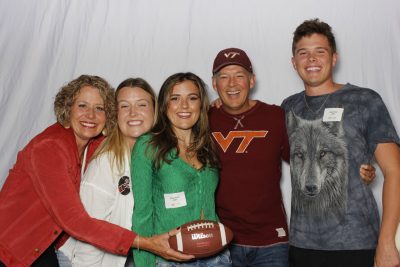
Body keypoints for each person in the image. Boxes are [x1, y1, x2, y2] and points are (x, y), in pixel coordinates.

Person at [0, 75, 193, 267]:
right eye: (82, 106)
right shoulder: (50, 148)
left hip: (46, 244)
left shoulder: (93, 145)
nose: (91, 115)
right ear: (67, 108)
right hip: (13, 248)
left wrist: (221, 106)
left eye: (99, 108)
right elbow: (76, 221)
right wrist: (146, 243)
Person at [209, 47, 377, 267]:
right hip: (221, 242)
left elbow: (313, 156)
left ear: (252, 81)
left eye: (239, 76)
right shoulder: (204, 120)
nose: (232, 83)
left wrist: (361, 170)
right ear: (214, 84)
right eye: (224, 77)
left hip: (271, 242)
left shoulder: (277, 116)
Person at [281, 18, 400, 267]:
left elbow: (395, 171)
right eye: (303, 53)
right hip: (302, 245)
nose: (311, 59)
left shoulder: (365, 100)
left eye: (320, 51)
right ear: (294, 62)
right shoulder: (287, 108)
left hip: (356, 242)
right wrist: (220, 106)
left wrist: (387, 241)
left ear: (334, 58)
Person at [131, 72, 231, 267]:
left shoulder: (208, 144)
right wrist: (144, 264)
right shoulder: (148, 146)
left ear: (201, 105)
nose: (184, 106)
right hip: (170, 259)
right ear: (164, 105)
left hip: (217, 258)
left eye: (192, 98)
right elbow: (142, 214)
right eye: (175, 98)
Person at [57, 78, 156, 266]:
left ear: (155, 110)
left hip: (133, 256)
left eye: (142, 104)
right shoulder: (106, 162)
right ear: (114, 115)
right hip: (88, 260)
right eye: (124, 106)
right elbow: (88, 239)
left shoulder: (160, 157)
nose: (133, 113)